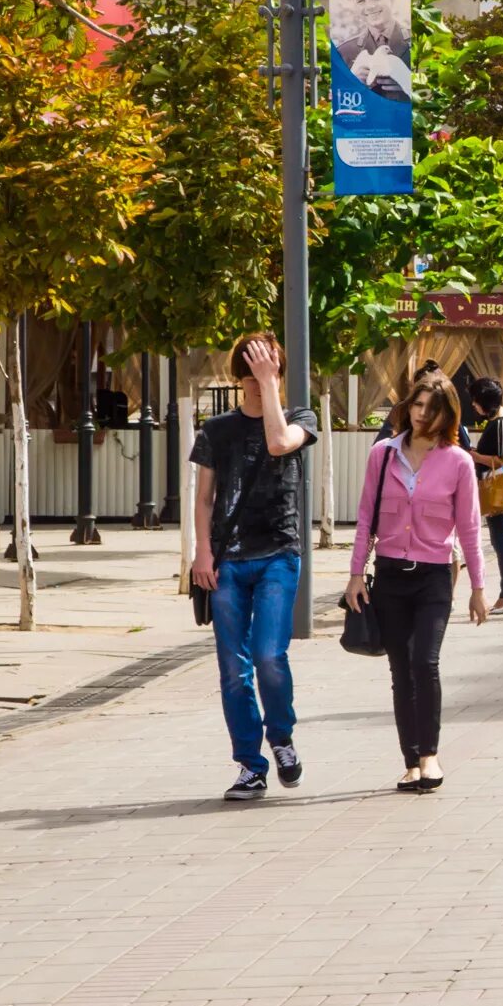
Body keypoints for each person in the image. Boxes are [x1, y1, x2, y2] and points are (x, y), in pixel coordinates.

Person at [190, 335, 319, 802]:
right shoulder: (217, 431)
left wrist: (270, 384)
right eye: (248, 377)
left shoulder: (301, 418)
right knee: (232, 669)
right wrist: (202, 551)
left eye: (263, 374)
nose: (255, 385)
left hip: (278, 555)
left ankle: (280, 737)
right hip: (227, 560)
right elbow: (204, 498)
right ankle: (250, 764)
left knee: (268, 654)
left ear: (278, 375)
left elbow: (279, 441)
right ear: (236, 378)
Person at [346, 374, 486, 794]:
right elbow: (365, 518)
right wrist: (355, 574)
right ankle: (410, 762)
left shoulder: (458, 462)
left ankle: (431, 756)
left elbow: (471, 528)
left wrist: (479, 587)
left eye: (432, 408)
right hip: (389, 576)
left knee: (424, 662)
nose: (423, 413)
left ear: (447, 415)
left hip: (434, 577)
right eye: (417, 404)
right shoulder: (382, 455)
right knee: (400, 671)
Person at [469, 377, 503, 615]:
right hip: (494, 484)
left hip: (498, 485)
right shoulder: (498, 421)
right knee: (500, 541)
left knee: (501, 541)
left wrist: (476, 456)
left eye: (475, 400)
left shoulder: (500, 424)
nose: (473, 405)